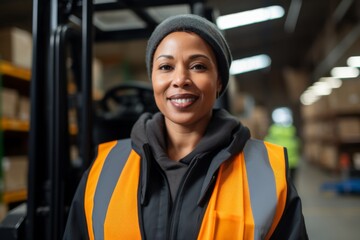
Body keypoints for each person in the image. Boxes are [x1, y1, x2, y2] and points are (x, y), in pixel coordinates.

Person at [63, 14, 308, 239]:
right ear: (153, 79)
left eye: (198, 66)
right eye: (166, 67)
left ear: (219, 81)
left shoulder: (265, 172)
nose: (180, 79)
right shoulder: (106, 168)